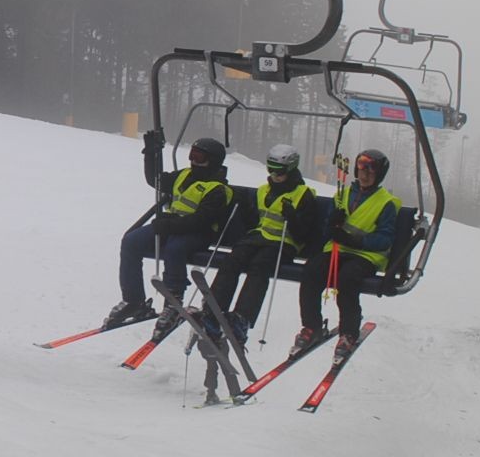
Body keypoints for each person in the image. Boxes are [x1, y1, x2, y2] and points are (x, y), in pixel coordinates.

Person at [102, 133, 233, 336]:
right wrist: (151, 153)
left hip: (197, 234)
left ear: (212, 161)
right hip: (171, 227)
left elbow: (201, 220)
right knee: (131, 242)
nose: (193, 161)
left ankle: (173, 302)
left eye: (199, 157)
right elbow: (155, 179)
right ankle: (133, 299)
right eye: (192, 155)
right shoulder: (183, 176)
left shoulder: (218, 189)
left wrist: (169, 225)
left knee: (175, 249)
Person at [203, 145, 319, 343]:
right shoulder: (263, 190)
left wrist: (292, 217)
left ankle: (242, 317)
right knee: (233, 260)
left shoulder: (304, 194)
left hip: (283, 243)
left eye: (279, 171)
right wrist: (244, 208)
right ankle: (213, 309)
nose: (274, 175)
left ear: (290, 170)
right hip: (257, 238)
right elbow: (254, 222)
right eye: (270, 169)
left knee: (260, 265)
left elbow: (304, 234)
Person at [295, 147, 400, 360]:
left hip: (366, 257)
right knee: (312, 271)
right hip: (337, 251)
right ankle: (311, 326)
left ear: (379, 174)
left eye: (371, 170)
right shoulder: (342, 195)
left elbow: (385, 239)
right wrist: (333, 224)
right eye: (362, 168)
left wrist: (355, 240)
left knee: (348, 279)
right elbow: (327, 231)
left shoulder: (387, 203)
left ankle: (348, 333)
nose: (365, 174)